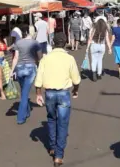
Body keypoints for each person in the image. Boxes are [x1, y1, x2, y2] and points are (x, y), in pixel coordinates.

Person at [34, 32, 81, 166]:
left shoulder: (45, 59)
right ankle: (58, 155)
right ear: (65, 43)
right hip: (63, 93)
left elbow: (38, 80)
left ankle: (53, 147)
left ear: (53, 43)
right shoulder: (69, 59)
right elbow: (76, 80)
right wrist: (75, 91)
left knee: (51, 119)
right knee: (62, 123)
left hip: (49, 93)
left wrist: (38, 94)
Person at [10, 25, 43, 124]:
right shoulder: (35, 43)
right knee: (24, 94)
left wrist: (12, 71)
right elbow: (39, 57)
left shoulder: (18, 43)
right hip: (30, 68)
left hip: (19, 68)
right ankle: (20, 117)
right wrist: (39, 65)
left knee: (24, 91)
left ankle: (27, 111)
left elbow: (15, 57)